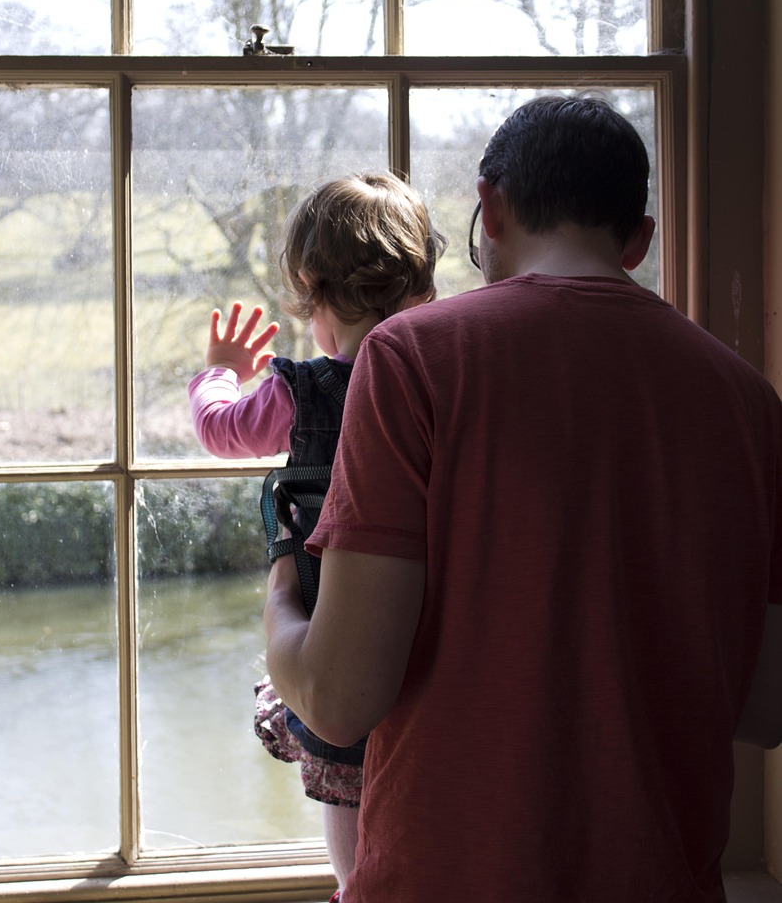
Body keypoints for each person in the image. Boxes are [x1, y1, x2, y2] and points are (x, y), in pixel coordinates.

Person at [263, 94, 782, 903]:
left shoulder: (415, 358)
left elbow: (337, 699)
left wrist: (280, 590)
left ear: (490, 209)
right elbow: (764, 703)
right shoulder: (745, 400)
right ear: (638, 241)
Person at [188, 172, 445, 901]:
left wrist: (220, 375)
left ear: (310, 288)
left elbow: (222, 431)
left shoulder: (299, 389)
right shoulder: (445, 372)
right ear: (419, 286)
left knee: (344, 777)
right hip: (434, 604)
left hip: (329, 615)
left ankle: (353, 887)